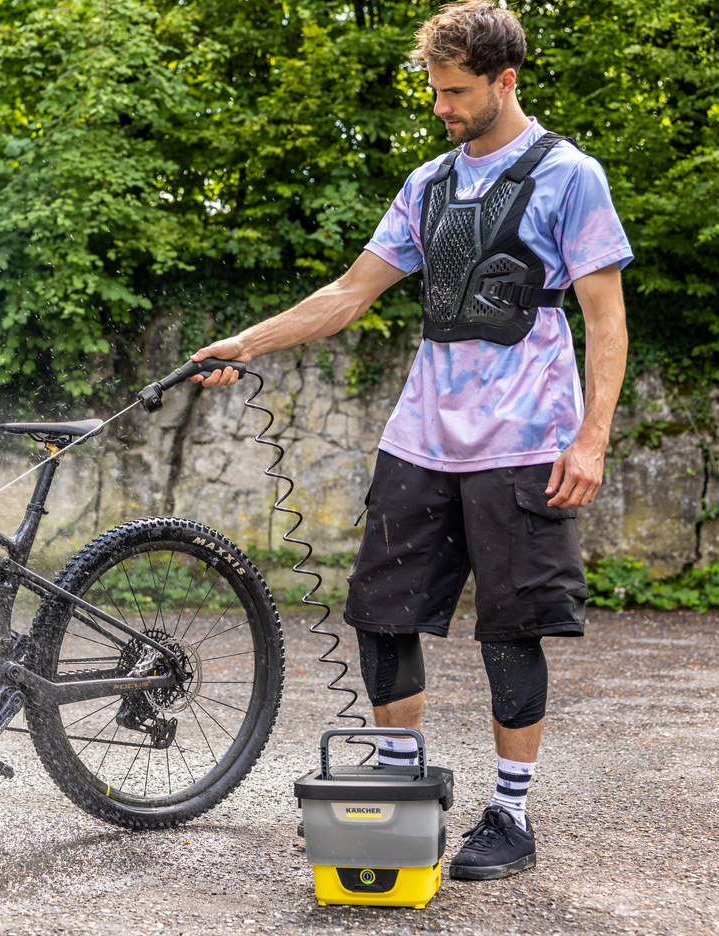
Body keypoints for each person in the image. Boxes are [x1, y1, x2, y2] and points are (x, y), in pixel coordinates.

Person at [190, 0, 630, 880]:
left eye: (455, 91)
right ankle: (400, 791)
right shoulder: (427, 185)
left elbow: (606, 321)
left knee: (511, 630)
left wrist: (589, 442)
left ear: (505, 80)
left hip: (522, 444)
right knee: (380, 616)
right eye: (434, 89)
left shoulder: (568, 176)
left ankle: (509, 815)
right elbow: (348, 293)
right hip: (420, 438)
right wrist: (248, 342)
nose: (440, 106)